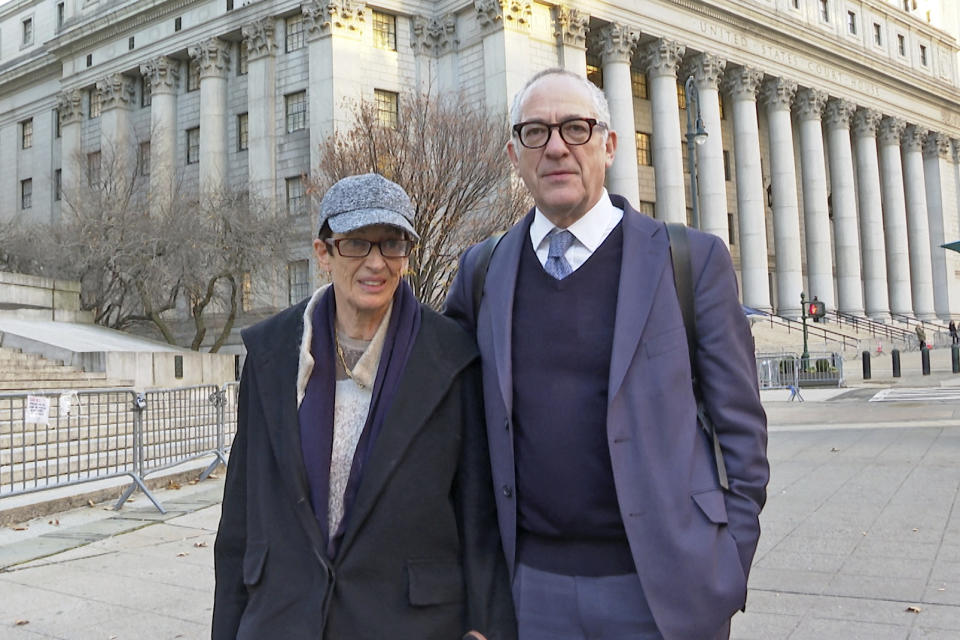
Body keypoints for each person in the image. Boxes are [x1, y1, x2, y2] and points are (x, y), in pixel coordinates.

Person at [445, 69, 769, 640]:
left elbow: (741, 429)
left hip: (662, 592)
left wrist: (727, 563)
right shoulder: (482, 271)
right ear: (515, 154)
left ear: (609, 145)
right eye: (535, 133)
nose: (556, 148)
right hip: (529, 593)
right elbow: (453, 428)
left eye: (576, 128)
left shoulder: (689, 262)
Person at [213, 173, 515, 640]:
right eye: (356, 243)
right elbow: (241, 511)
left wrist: (484, 625)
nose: (376, 263)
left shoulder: (452, 357)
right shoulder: (271, 353)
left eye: (391, 244)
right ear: (323, 253)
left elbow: (478, 511)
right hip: (284, 617)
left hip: (410, 621)